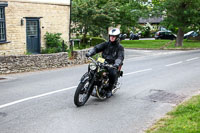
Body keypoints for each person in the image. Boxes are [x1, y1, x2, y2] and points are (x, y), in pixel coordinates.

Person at [86, 28, 124, 98]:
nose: (112, 37)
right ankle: (89, 81)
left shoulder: (120, 47)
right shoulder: (106, 44)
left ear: (117, 37)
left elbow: (120, 57)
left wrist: (117, 63)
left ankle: (109, 89)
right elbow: (96, 48)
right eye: (111, 36)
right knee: (92, 66)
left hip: (113, 63)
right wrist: (90, 53)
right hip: (103, 61)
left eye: (114, 36)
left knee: (112, 73)